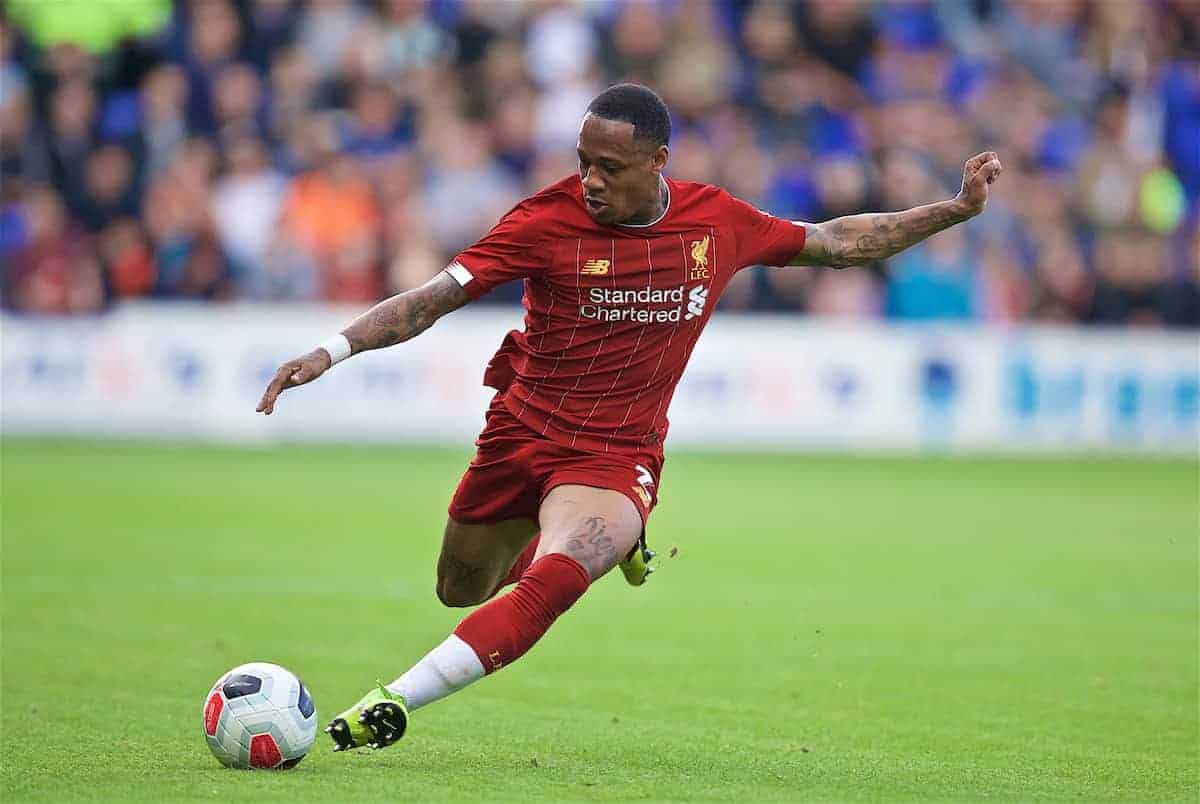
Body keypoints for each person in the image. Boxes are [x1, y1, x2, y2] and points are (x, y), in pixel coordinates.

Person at [255, 84, 1002, 751]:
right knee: (460, 587)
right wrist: (332, 349)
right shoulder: (543, 220)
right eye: (583, 160)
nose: (590, 179)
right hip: (521, 432)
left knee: (562, 573)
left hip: (616, 455)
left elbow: (838, 242)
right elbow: (432, 298)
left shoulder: (717, 224)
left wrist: (956, 209)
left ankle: (393, 701)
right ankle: (604, 543)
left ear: (658, 162)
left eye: (610, 167)